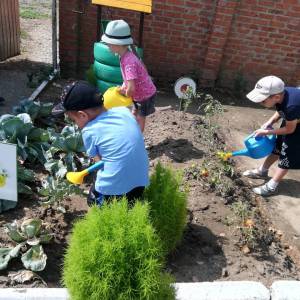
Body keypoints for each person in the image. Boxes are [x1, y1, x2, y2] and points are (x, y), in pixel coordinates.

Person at [52, 81, 149, 206]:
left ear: (82, 115)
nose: (75, 124)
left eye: (73, 120)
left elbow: (99, 161)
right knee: (130, 202)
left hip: (114, 190)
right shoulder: (123, 111)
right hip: (141, 181)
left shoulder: (89, 131)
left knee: (94, 200)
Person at [243, 75, 300, 196]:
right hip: (293, 119)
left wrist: (267, 132)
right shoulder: (282, 95)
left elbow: (290, 129)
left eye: (263, 100)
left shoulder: (291, 106)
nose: (260, 102)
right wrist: (269, 122)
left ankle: (272, 186)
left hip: (295, 126)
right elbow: (280, 111)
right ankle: (262, 171)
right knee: (277, 147)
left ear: (276, 97)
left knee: (286, 157)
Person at [101, 19, 156, 132]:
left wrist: (124, 93)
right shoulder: (125, 55)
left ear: (117, 44)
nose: (107, 46)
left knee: (140, 117)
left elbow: (131, 88)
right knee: (134, 112)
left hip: (145, 95)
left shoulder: (129, 62)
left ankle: (138, 139)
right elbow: (128, 79)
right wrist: (123, 86)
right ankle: (131, 131)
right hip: (139, 94)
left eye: (109, 44)